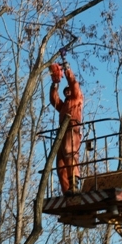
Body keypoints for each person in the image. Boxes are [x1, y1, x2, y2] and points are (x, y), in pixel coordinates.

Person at [49, 62, 84, 196]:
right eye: (66, 90)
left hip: (73, 128)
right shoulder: (63, 106)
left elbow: (74, 83)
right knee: (61, 162)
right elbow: (54, 100)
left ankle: (74, 185)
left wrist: (67, 69)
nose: (68, 91)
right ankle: (67, 190)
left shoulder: (77, 99)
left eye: (69, 89)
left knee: (70, 154)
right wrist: (55, 83)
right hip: (62, 132)